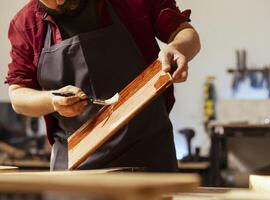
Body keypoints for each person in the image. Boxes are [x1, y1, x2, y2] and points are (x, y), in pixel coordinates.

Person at [6, 0, 200, 171]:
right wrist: (52, 100)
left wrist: (177, 49)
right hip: (76, 167)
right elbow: (17, 95)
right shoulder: (26, 24)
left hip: (147, 157)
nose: (60, 0)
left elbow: (185, 33)